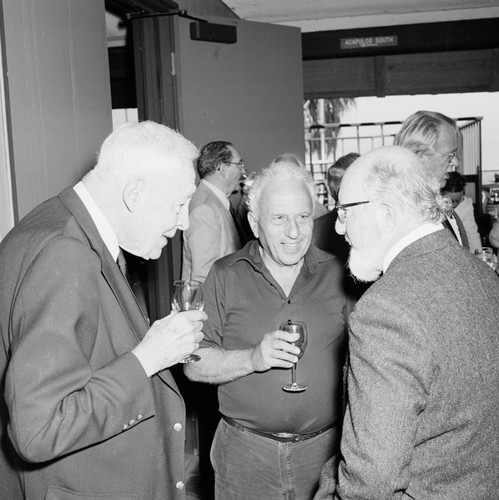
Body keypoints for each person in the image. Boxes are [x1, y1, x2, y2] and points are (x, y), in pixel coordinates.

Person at [0, 121, 207, 500]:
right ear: (135, 193)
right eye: (179, 205)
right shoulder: (65, 253)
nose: (184, 223)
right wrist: (148, 358)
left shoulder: (58, 224)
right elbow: (38, 431)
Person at [315, 146, 499, 499]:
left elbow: (371, 482)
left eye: (343, 212)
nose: (338, 228)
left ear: (385, 214)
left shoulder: (385, 310)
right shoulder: (483, 275)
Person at [185, 162, 349, 500]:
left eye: (303, 217)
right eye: (279, 218)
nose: (294, 232)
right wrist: (252, 358)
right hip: (246, 458)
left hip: (326, 456)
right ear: (254, 223)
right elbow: (194, 363)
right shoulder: (225, 275)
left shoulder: (342, 274)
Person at [394, 110, 469, 249]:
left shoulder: (438, 204)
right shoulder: (397, 218)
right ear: (420, 156)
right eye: (450, 155)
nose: (456, 162)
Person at [182, 140, 244, 283]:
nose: (242, 171)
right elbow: (204, 277)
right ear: (221, 168)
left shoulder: (215, 201)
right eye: (239, 164)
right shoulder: (205, 210)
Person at [271, 152, 329, 218]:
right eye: (281, 173)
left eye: (293, 172)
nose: (287, 177)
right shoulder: (264, 209)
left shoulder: (318, 210)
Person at [441, 171, 482, 253]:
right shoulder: (434, 207)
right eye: (452, 201)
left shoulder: (466, 204)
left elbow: (472, 234)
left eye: (458, 200)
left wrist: (479, 256)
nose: (455, 204)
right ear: (442, 193)